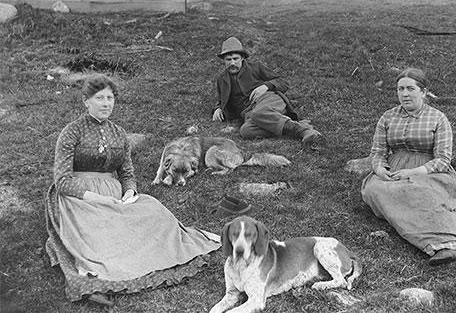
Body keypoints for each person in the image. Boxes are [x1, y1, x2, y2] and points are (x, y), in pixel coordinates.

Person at [44, 74, 221, 306]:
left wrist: (129, 193)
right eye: (99, 98)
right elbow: (62, 180)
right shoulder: (71, 132)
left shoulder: (119, 133)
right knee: (98, 233)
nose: (106, 103)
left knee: (155, 211)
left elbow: (127, 173)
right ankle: (95, 280)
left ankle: (153, 255)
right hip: (78, 196)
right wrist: (97, 199)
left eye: (110, 98)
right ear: (86, 101)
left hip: (115, 195)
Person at [361, 68, 456, 266]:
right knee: (375, 189)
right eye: (400, 89)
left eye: (410, 89)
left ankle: (445, 245)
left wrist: (414, 172)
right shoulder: (387, 117)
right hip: (394, 169)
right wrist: (381, 170)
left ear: (423, 92)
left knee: (421, 193)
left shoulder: (438, 118)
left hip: (430, 171)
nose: (404, 94)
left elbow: (443, 158)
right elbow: (378, 152)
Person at [212, 36, 323, 146]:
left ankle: (302, 131)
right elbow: (222, 100)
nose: (232, 63)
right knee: (246, 131)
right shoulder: (222, 79)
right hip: (249, 113)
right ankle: (295, 125)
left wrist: (266, 86)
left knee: (258, 113)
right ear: (224, 61)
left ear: (242, 58)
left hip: (268, 99)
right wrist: (218, 109)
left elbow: (283, 82)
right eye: (228, 60)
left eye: (235, 59)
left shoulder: (256, 67)